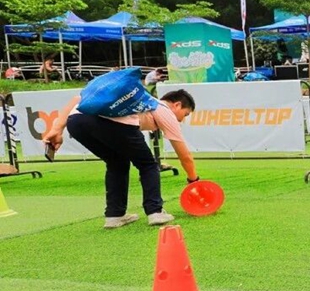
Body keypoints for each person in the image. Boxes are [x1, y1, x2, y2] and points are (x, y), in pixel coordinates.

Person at [42, 89, 200, 229]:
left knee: (117, 162)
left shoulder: (138, 97)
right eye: (185, 114)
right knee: (148, 165)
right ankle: (155, 212)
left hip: (76, 122)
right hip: (114, 123)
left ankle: (114, 216)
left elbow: (77, 99)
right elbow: (184, 155)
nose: (182, 120)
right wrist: (193, 180)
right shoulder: (161, 108)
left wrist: (57, 129)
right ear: (177, 105)